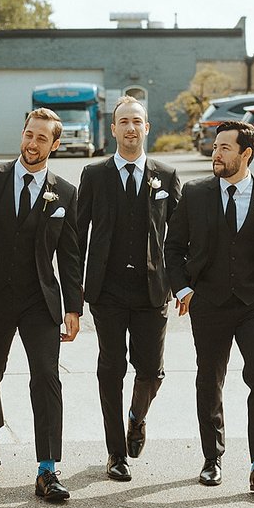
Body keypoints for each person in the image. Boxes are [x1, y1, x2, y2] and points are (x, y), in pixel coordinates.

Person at [164, 120, 254, 493]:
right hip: (208, 300)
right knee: (210, 378)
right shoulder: (194, 194)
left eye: (225, 148)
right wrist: (183, 288)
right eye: (215, 147)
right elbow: (173, 247)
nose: (216, 153)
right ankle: (212, 457)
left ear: (246, 154)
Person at [0, 108, 82, 503]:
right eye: (29, 135)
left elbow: (70, 255)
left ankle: (48, 469)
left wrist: (73, 306)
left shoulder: (64, 192)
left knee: (47, 378)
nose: (32, 144)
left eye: (42, 139)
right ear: (23, 134)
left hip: (39, 299)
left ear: (55, 144)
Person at [76, 97, 181, 482]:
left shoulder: (166, 176)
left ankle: (137, 417)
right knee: (111, 368)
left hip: (153, 290)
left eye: (137, 121)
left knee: (152, 369)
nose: (131, 128)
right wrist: (74, 293)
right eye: (124, 122)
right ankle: (115, 452)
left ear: (147, 128)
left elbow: (181, 236)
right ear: (113, 129)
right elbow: (77, 234)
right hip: (107, 290)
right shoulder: (94, 175)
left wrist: (182, 285)